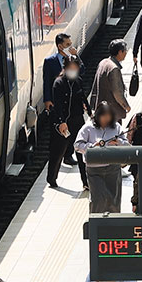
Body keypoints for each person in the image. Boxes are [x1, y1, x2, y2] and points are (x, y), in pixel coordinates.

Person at [76, 102, 126, 212]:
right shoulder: (88, 128)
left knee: (114, 200)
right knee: (98, 199)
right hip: (94, 170)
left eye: (109, 116)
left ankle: (113, 225)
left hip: (113, 168)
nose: (106, 119)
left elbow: (127, 145)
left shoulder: (116, 127)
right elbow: (77, 145)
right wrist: (92, 146)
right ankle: (96, 225)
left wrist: (118, 142)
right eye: (103, 115)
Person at [48, 56, 89, 190]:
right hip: (64, 122)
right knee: (58, 151)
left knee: (81, 151)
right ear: (65, 68)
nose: (73, 71)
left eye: (75, 68)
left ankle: (85, 181)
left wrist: (90, 112)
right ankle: (52, 178)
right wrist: (61, 122)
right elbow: (58, 105)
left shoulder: (78, 81)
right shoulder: (58, 83)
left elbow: (83, 96)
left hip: (77, 120)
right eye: (70, 68)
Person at [91, 39, 131, 122]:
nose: (126, 53)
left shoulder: (103, 62)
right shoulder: (114, 68)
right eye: (125, 51)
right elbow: (117, 93)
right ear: (120, 52)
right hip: (112, 112)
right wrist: (126, 106)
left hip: (101, 109)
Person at [43, 33, 75, 109]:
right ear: (60, 47)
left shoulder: (73, 59)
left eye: (71, 44)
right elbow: (47, 81)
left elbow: (82, 70)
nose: (71, 47)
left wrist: (76, 56)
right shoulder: (50, 61)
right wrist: (47, 100)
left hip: (72, 98)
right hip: (57, 99)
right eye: (67, 45)